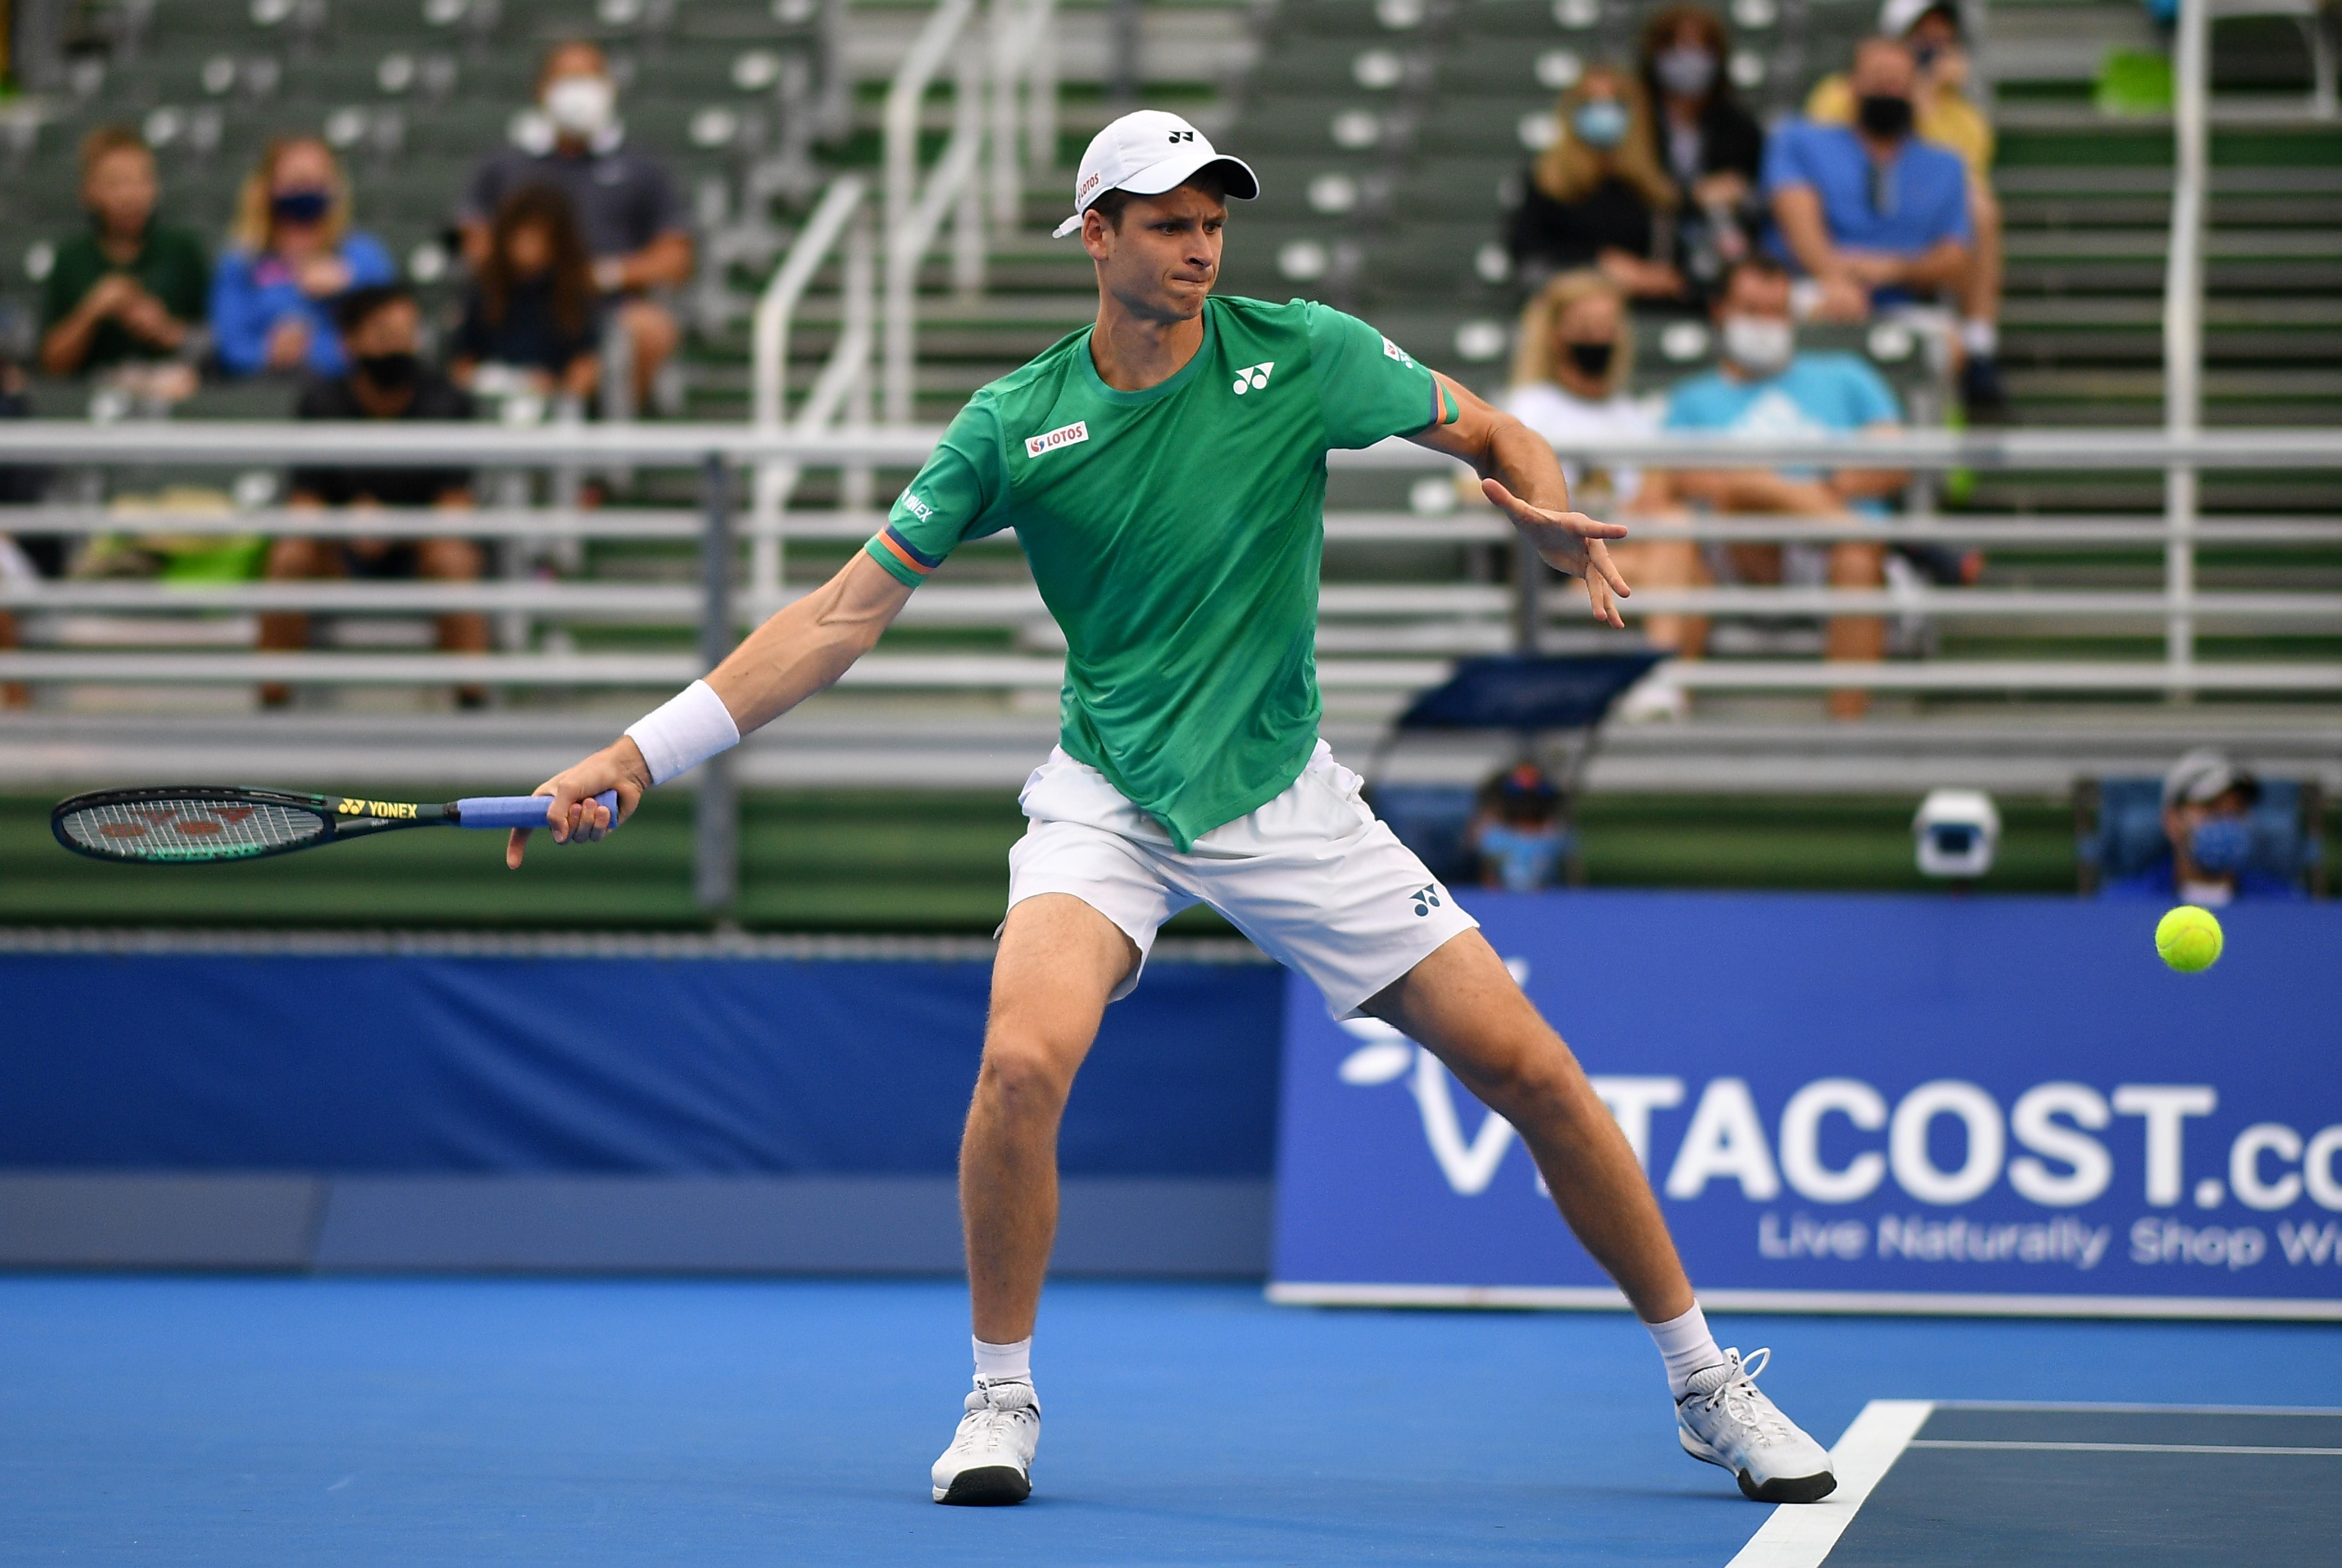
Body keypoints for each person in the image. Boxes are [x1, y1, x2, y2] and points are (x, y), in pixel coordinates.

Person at [512, 109, 1838, 1514]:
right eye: (1164, 220)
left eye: (1212, 219)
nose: (1199, 243)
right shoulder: (1014, 425)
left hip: (1284, 793)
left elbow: (1494, 423)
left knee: (1535, 1072)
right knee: (1021, 1063)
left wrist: (1540, 504)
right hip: (1110, 798)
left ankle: (1705, 1382)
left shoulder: (1305, 352)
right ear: (1096, 235)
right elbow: (841, 615)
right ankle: (997, 1394)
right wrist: (640, 753)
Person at [1658, 257, 1908, 721]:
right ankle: (1671, 712)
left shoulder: (1845, 375)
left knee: (1855, 556)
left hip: (1833, 554)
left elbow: (1895, 461)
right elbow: (1685, 478)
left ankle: (1846, 733)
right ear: (1721, 312)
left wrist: (1815, 486)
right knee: (1744, 487)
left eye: (1776, 311)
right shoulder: (1691, 398)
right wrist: (1798, 491)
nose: (1766, 324)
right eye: (1752, 310)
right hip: (1740, 552)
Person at [260, 284, 487, 709]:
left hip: (419, 553)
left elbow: (456, 508)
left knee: (454, 557)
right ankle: (272, 705)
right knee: (290, 556)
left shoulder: (447, 400)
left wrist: (395, 526)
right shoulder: (322, 402)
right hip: (341, 554)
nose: (399, 345)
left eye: (408, 333)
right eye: (385, 334)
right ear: (351, 342)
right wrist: (348, 522)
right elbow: (304, 505)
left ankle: (471, 705)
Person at [1501, 270, 1699, 716]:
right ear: (1556, 335)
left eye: (1607, 328)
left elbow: (1650, 495)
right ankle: (1662, 676)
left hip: (1630, 557)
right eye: (1586, 328)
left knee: (1677, 530)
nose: (1598, 339)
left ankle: (1659, 677)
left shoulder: (1632, 415)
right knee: (1684, 563)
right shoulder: (1529, 408)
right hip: (1557, 568)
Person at [459, 40, 692, 410]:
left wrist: (605, 274)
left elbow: (676, 258)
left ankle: (611, 442)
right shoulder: (503, 165)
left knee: (650, 329)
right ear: (541, 89)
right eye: (566, 77)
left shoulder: (643, 167)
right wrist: (524, 269)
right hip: (523, 301)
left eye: (589, 77)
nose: (579, 90)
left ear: (609, 86)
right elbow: (470, 241)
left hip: (605, 303)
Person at [1806, 0, 2007, 416]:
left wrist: (1925, 97)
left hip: (1913, 261)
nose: (1931, 44)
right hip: (1836, 258)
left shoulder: (1963, 118)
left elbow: (1946, 187)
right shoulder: (1835, 94)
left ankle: (1979, 343)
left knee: (1981, 208)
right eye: (1920, 35)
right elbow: (1837, 159)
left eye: (1941, 36)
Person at [1764, 37, 1971, 330]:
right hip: (1813, 288)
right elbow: (1798, 221)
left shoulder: (1946, 165)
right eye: (1877, 78)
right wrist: (1834, 280)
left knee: (1946, 346)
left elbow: (1955, 257)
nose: (1888, 89)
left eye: (1898, 81)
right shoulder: (1800, 140)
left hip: (1905, 302)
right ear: (1851, 84)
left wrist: (1893, 269)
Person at [37, 126, 209, 400]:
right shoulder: (71, 259)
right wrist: (94, 309)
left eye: (142, 181)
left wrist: (165, 330)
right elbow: (50, 363)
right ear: (89, 191)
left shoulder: (182, 251)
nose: (131, 196)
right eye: (116, 183)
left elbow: (218, 348)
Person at [210, 135, 396, 379]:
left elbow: (391, 330)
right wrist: (269, 351)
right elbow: (231, 346)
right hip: (263, 391)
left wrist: (350, 280)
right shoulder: (241, 262)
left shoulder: (362, 256)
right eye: (297, 180)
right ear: (268, 187)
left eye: (318, 180)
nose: (307, 189)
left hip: (345, 395)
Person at [1506, 65, 1686, 301]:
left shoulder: (1656, 185)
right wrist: (1600, 265)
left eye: (1614, 103)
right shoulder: (1547, 178)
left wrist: (1652, 276)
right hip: (1568, 304)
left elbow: (1676, 263)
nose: (1603, 112)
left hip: (1642, 306)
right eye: (1591, 102)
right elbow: (1526, 253)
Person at [1637, 5, 1767, 301]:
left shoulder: (1739, 126)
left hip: (1716, 240)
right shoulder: (1636, 121)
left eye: (1700, 48)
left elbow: (1755, 189)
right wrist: (1692, 195)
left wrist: (1738, 191)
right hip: (1647, 244)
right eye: (1678, 46)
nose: (1689, 58)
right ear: (1656, 53)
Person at [452, 183, 602, 404]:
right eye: (520, 237)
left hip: (551, 403)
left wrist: (561, 393)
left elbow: (585, 364)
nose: (527, 247)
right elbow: (463, 362)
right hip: (491, 402)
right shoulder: (485, 291)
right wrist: (485, 383)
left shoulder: (574, 294)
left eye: (537, 238)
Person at [2103, 748, 2305, 905]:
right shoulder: (2122, 904)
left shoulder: (2287, 905)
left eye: (2237, 812)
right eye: (2211, 809)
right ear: (2173, 822)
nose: (2226, 821)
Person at [1469, 763, 1569, 891]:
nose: (1527, 805)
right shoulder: (1494, 836)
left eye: (1533, 797)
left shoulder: (1555, 835)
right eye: (1521, 797)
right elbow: (1488, 879)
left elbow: (1570, 878)